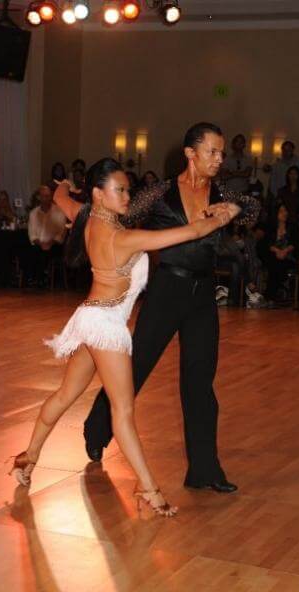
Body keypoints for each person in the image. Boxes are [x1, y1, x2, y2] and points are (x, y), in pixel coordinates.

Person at [9, 157, 240, 517]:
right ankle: (148, 488)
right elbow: (192, 233)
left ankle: (30, 455)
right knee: (124, 410)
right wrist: (223, 216)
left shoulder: (88, 216)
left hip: (89, 317)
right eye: (120, 190)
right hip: (105, 327)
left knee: (66, 395)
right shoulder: (123, 237)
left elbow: (58, 196)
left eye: (128, 189)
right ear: (100, 194)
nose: (128, 196)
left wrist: (65, 187)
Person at [82, 123, 259, 492]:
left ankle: (204, 471)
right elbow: (120, 218)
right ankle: (97, 428)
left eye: (222, 152)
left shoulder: (221, 191)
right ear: (190, 153)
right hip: (167, 289)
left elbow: (255, 208)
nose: (219, 159)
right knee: (137, 365)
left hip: (203, 293)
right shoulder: (160, 193)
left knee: (199, 381)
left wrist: (237, 204)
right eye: (212, 151)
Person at [265, 204, 299, 304]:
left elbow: (294, 243)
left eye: (285, 210)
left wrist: (284, 251)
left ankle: (270, 296)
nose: (284, 213)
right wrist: (278, 251)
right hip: (274, 255)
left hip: (288, 255)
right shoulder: (271, 226)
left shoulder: (293, 226)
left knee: (277, 265)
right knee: (275, 263)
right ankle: (274, 295)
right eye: (281, 211)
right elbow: (268, 243)